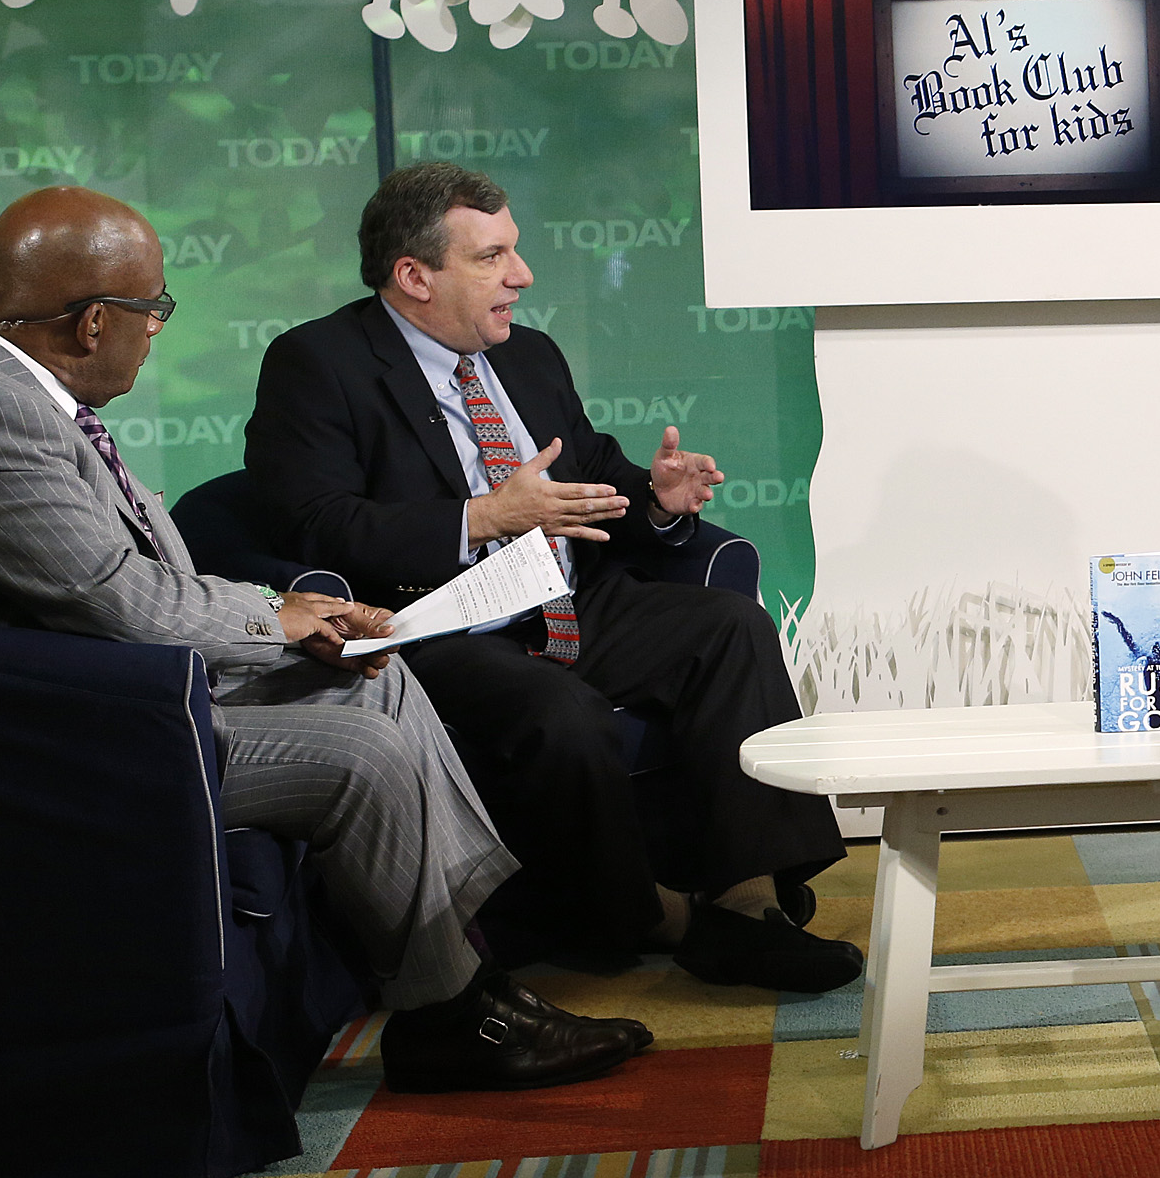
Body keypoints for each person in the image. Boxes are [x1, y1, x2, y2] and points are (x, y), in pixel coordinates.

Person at [0, 187, 644, 1093]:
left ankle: (460, 987)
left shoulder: (17, 386)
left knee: (379, 678)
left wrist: (298, 611)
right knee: (363, 751)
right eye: (154, 310)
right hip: (29, 738)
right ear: (93, 320)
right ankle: (455, 1009)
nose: (157, 330)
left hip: (100, 686)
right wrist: (276, 618)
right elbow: (123, 602)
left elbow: (141, 575)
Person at [245, 162, 854, 992]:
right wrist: (483, 517)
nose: (522, 277)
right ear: (415, 276)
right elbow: (309, 521)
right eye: (493, 257)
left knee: (729, 628)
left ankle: (750, 906)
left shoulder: (526, 355)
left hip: (569, 599)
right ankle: (656, 916)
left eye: (516, 253)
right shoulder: (318, 363)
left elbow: (592, 472)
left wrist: (658, 498)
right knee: (556, 712)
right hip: (434, 625)